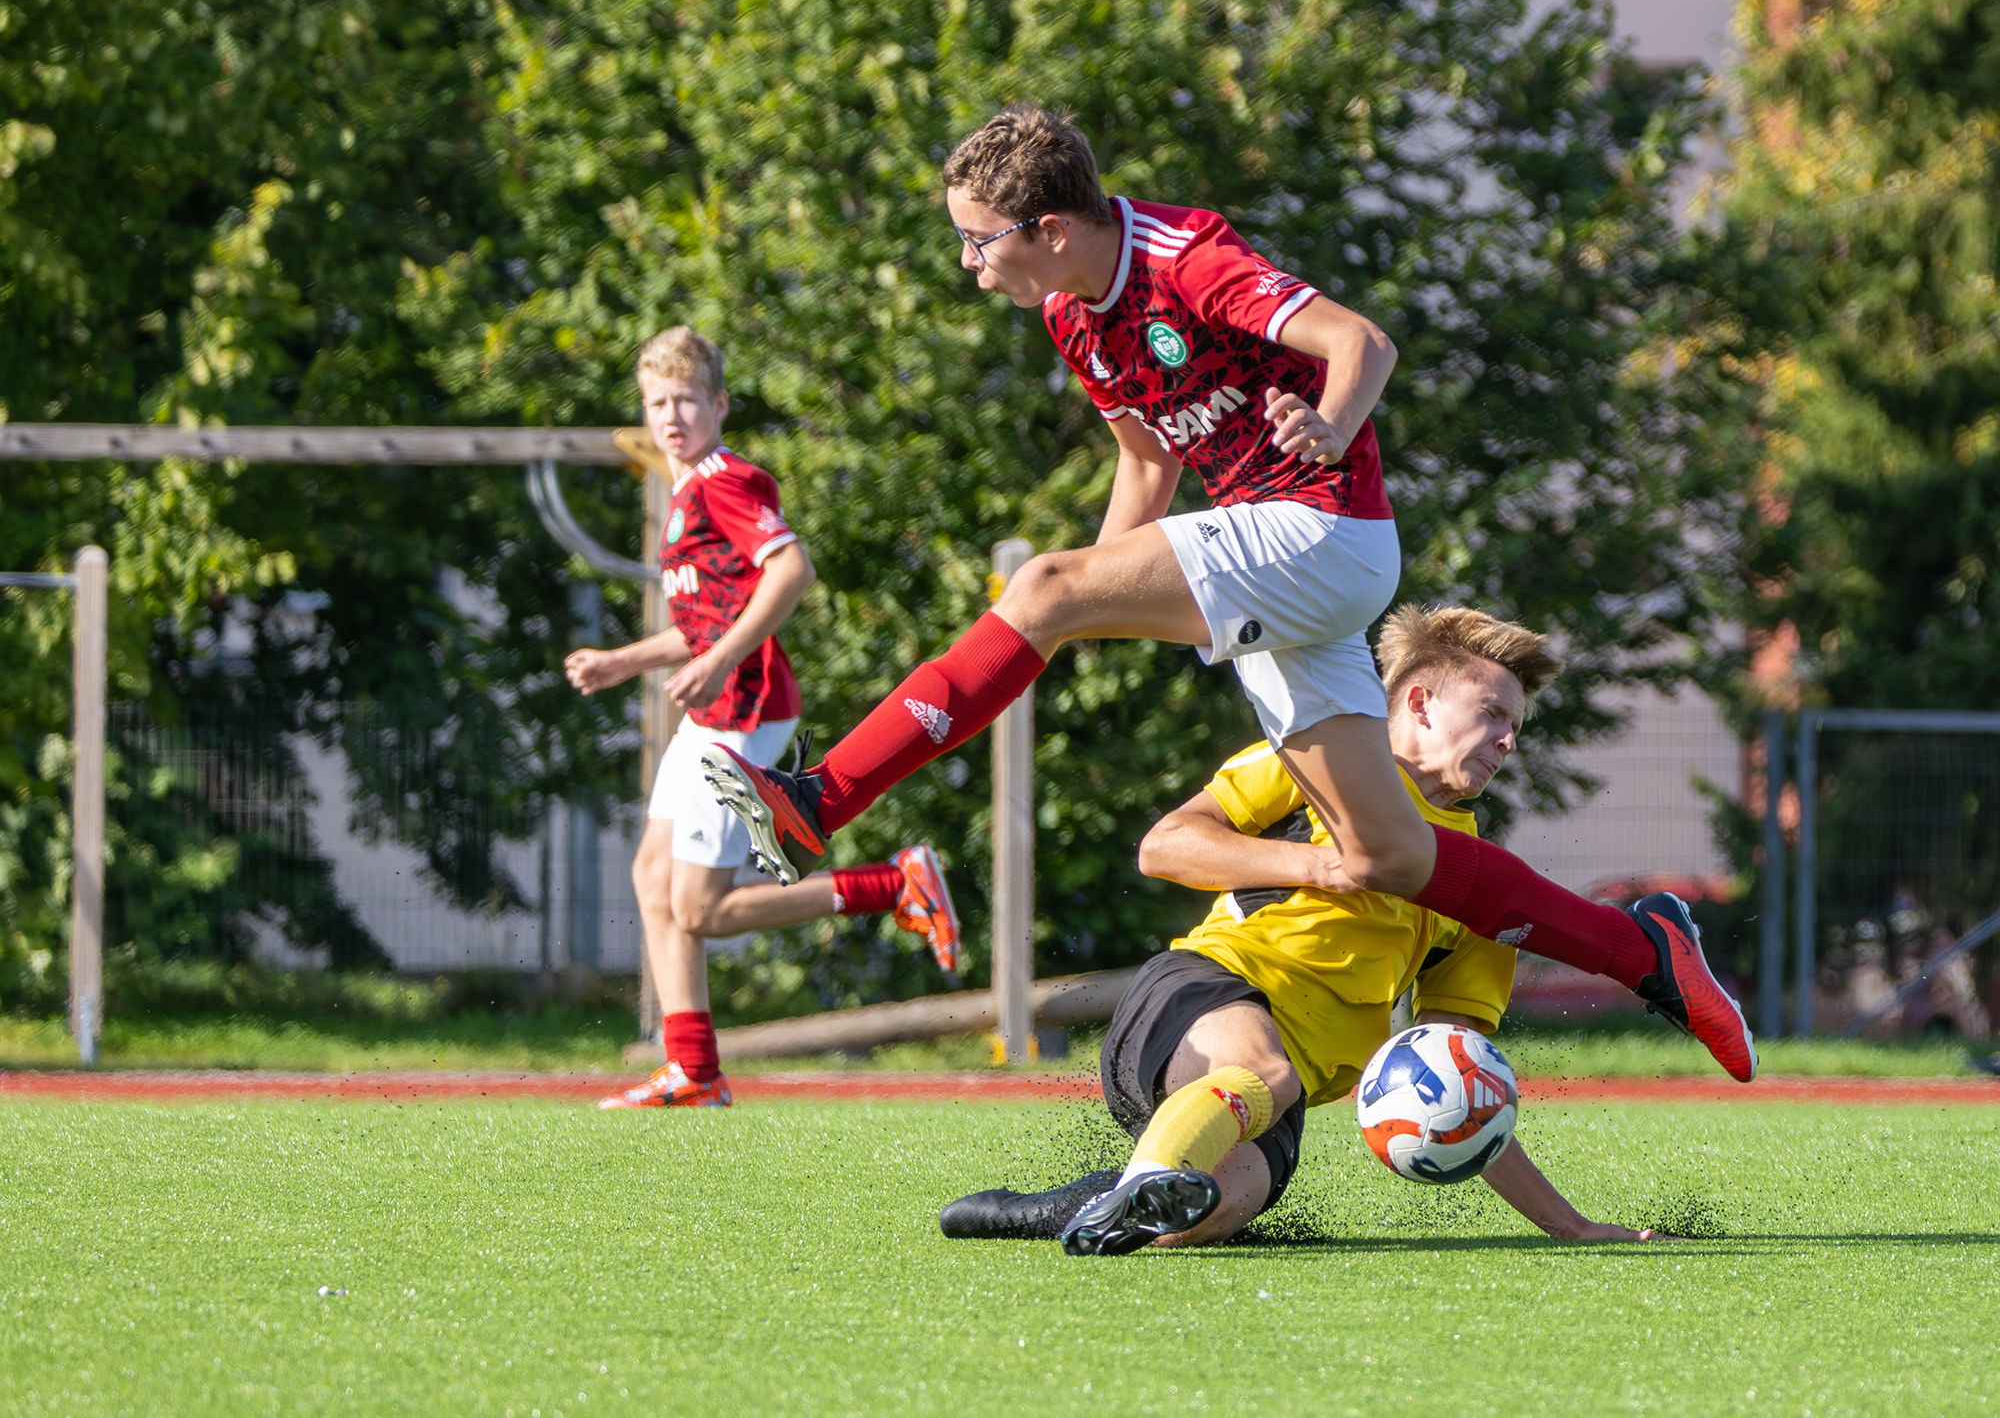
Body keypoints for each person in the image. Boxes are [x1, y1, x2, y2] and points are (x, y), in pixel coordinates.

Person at [702, 103, 1756, 1084]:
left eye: (979, 242)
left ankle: (821, 799)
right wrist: (1085, 599)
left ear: (1051, 228)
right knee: (1384, 852)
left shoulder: (1184, 256)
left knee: (1042, 584)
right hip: (1279, 564)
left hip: (1322, 532)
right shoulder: (1072, 313)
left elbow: (1362, 342)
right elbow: (1145, 463)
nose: (971, 267)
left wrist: (1327, 426)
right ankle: (1644, 951)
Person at [942, 604, 1665, 1254]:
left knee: (1201, 1214)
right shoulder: (1321, 764)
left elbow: (1459, 1080)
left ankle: (1057, 1207)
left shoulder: (1481, 886)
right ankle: (1148, 1176)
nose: (1507, 740)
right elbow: (1163, 846)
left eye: (1514, 726)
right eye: (1492, 713)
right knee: (1266, 1072)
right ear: (1419, 702)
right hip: (1197, 997)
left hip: (1270, 1104)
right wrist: (1321, 864)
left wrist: (1571, 1225)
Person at [565, 327, 960, 1110]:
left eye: (685, 399)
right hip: (715, 704)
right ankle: (692, 1069)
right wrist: (624, 661)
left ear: (719, 404)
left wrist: (718, 660)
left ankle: (893, 883)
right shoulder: (685, 491)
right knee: (652, 876)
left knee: (699, 908)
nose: (670, 415)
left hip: (742, 709)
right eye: (656, 402)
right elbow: (709, 621)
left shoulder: (725, 480)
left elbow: (791, 570)